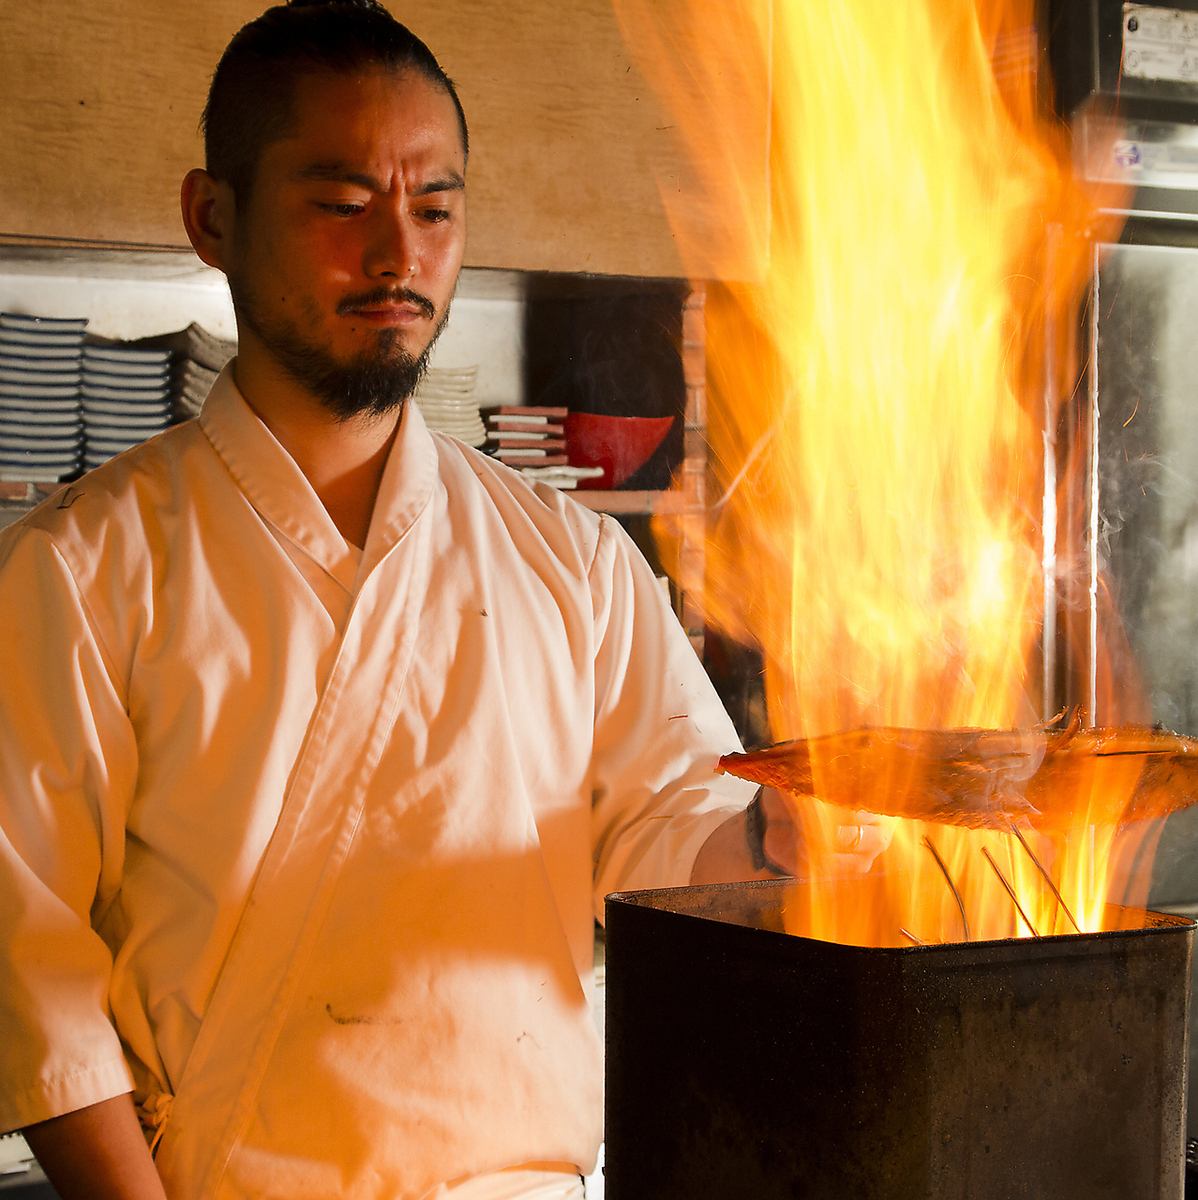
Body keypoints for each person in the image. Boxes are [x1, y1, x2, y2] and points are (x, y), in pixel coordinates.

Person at [0, 3, 888, 1197]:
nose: (397, 256)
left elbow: (665, 833)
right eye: (342, 202)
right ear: (212, 218)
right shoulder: (83, 568)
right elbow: (24, 951)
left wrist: (774, 838)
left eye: (434, 208)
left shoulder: (570, 562)